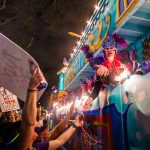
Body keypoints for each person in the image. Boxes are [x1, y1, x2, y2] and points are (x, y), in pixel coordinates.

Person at [18, 64, 84, 150]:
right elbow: (29, 123)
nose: (37, 129)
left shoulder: (37, 147)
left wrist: (74, 123)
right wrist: (32, 88)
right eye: (35, 128)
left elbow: (59, 140)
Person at [83, 33, 143, 108]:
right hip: (113, 104)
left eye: (111, 48)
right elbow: (96, 90)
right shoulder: (101, 70)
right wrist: (88, 100)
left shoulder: (124, 62)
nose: (109, 50)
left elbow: (138, 67)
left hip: (130, 101)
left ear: (115, 50)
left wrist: (135, 80)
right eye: (107, 49)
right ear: (104, 51)